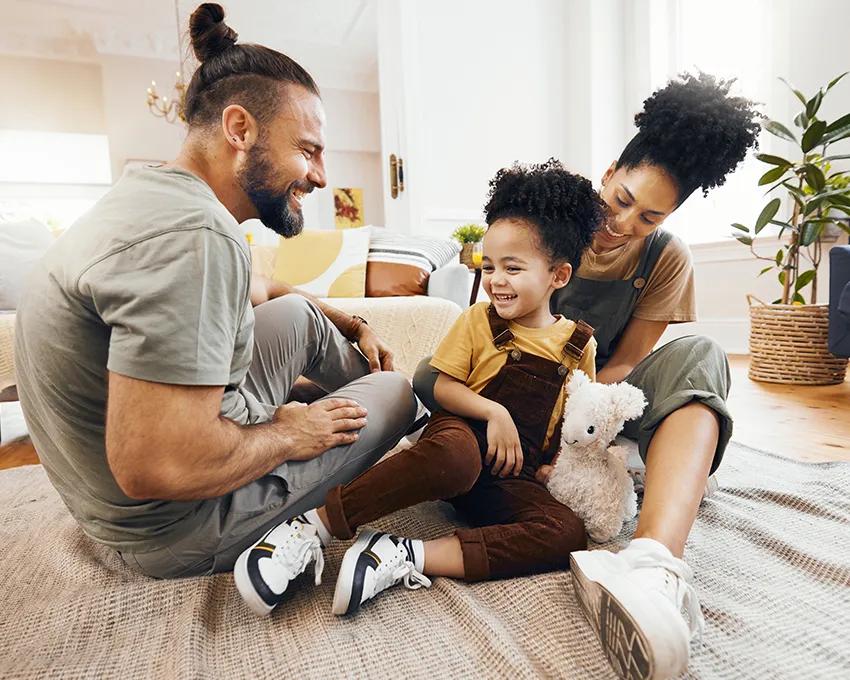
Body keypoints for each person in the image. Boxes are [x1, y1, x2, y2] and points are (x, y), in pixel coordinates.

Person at [13, 3, 418, 580]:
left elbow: (259, 286)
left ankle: (362, 409)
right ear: (240, 129)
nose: (322, 177)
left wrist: (349, 323)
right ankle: (410, 417)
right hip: (174, 525)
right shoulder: (196, 238)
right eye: (307, 150)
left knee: (300, 314)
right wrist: (288, 432)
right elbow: (157, 466)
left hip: (119, 496)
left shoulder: (156, 198)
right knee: (398, 395)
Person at [415, 72, 761, 680]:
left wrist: (586, 418)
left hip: (592, 400)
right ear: (607, 172)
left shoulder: (665, 259)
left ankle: (651, 566)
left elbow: (625, 362)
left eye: (649, 216)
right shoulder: (549, 223)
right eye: (622, 199)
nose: (625, 222)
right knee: (426, 383)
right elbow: (491, 316)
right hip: (515, 397)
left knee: (703, 355)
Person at [233, 159, 605, 617]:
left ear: (558, 276)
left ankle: (402, 554)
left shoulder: (578, 346)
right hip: (458, 444)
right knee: (456, 456)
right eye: (489, 266)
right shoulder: (477, 320)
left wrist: (554, 466)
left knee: (567, 532)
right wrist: (493, 412)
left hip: (512, 477)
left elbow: (573, 420)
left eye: (513, 267)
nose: (496, 280)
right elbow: (440, 384)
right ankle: (314, 526)